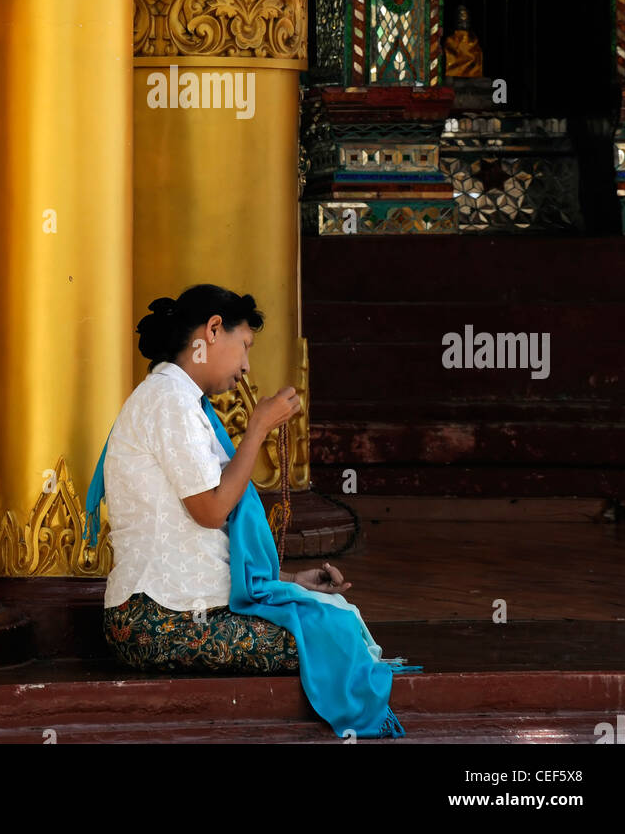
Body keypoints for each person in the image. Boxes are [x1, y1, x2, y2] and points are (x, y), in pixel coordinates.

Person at [85, 284, 417, 739]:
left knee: (328, 615)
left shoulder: (183, 403)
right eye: (245, 346)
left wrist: (288, 583)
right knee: (330, 636)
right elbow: (211, 510)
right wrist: (258, 425)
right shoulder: (168, 402)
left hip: (179, 611)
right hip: (154, 620)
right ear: (213, 330)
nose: (245, 365)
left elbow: (203, 534)